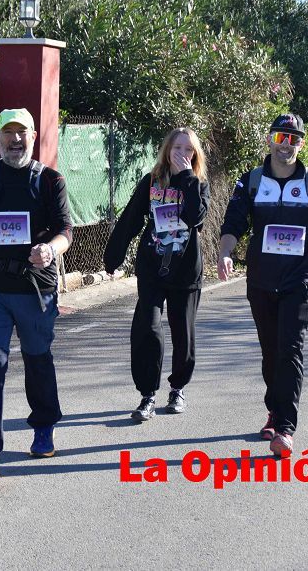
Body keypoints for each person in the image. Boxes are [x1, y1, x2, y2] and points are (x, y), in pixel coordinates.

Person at [0, 108, 73, 484]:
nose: (15, 140)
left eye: (22, 133)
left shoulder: (50, 180)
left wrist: (50, 250)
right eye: (8, 134)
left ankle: (43, 425)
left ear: (34, 136)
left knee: (37, 360)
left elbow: (65, 230)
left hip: (35, 289)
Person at [217, 113, 308, 457]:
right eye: (280, 137)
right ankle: (275, 407)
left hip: (298, 279)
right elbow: (234, 222)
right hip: (260, 279)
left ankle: (285, 427)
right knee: (270, 350)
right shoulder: (252, 181)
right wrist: (225, 253)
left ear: (302, 143)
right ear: (270, 140)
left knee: (290, 349)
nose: (286, 145)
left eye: (293, 139)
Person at [104, 128, 210, 421]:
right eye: (176, 148)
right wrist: (113, 256)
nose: (181, 154)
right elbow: (131, 219)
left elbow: (195, 218)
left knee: (182, 333)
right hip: (153, 267)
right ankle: (147, 394)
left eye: (188, 150)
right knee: (147, 329)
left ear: (195, 154)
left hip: (186, 270)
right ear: (166, 150)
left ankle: (177, 389)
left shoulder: (198, 183)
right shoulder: (151, 182)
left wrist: (187, 178)